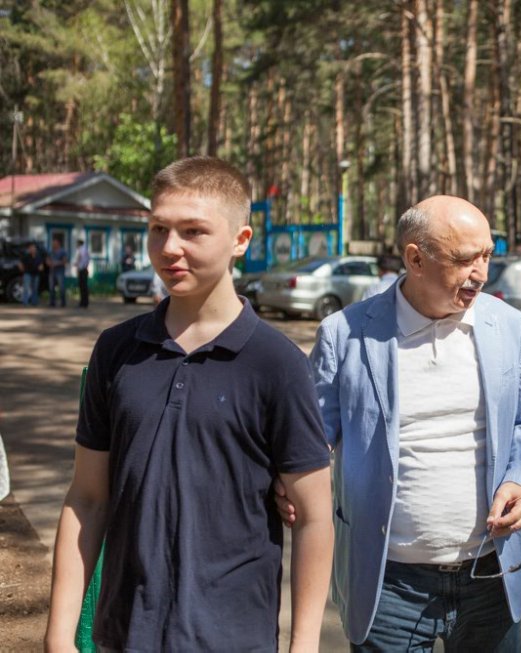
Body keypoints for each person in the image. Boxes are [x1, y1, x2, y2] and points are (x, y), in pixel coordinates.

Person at [45, 157, 334, 652]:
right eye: (158, 229)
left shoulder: (277, 363)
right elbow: (87, 498)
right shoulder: (116, 351)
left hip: (234, 636)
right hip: (124, 633)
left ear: (240, 241)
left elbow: (313, 516)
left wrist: (303, 645)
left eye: (193, 231)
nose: (169, 248)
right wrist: (60, 634)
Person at [280, 195, 521, 650]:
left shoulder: (508, 325)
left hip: (490, 575)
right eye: (465, 260)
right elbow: (309, 443)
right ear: (415, 259)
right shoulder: (345, 335)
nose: (481, 273)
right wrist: (286, 486)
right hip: (388, 585)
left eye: (487, 255)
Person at [18, 242, 44, 306]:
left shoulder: (38, 256)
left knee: (35, 288)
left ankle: (34, 302)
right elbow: (20, 263)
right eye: (31, 248)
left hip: (36, 274)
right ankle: (25, 302)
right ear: (29, 249)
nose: (32, 249)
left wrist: (41, 267)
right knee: (26, 288)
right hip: (27, 274)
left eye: (34, 248)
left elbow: (41, 265)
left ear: (36, 249)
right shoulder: (26, 256)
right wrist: (22, 269)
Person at [47, 237, 68, 307]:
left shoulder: (62, 251)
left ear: (58, 244)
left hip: (60, 271)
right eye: (53, 244)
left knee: (61, 287)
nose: (53, 245)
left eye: (54, 244)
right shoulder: (51, 251)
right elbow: (48, 260)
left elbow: (65, 261)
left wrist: (56, 263)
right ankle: (52, 302)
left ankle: (63, 302)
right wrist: (49, 263)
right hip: (52, 271)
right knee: (51, 287)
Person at [74, 237, 89, 308]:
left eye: (77, 243)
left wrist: (77, 264)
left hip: (82, 270)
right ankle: (84, 302)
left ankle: (83, 302)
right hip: (84, 269)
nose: (76, 245)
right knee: (83, 286)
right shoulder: (84, 249)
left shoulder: (81, 250)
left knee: (83, 287)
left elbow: (80, 258)